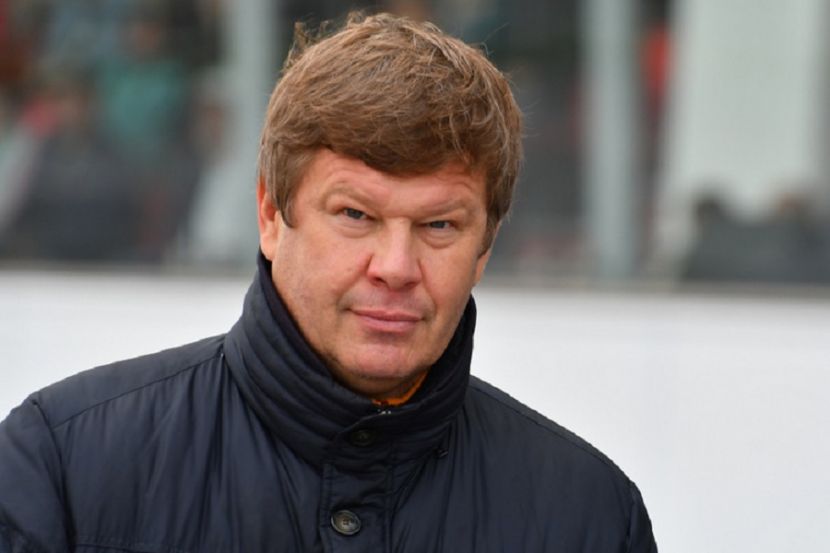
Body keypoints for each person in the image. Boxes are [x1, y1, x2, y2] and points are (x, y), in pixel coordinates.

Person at [0, 12, 657, 552]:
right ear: (270, 215)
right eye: (355, 215)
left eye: (438, 225)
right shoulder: (60, 467)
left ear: (484, 246)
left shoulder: (592, 516)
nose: (395, 266)